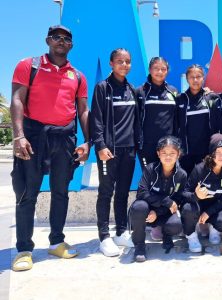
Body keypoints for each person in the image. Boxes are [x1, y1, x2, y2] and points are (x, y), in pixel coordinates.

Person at [10, 25, 90, 271]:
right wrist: (18, 136)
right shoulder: (29, 65)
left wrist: (87, 141)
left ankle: (57, 242)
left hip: (64, 138)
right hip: (34, 137)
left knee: (60, 192)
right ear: (48, 40)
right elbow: (16, 100)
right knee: (27, 194)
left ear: (71, 45)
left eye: (66, 39)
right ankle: (24, 248)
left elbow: (83, 110)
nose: (61, 42)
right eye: (57, 37)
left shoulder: (77, 75)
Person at [90, 48, 140, 257]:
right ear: (111, 63)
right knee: (105, 192)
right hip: (108, 151)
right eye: (119, 61)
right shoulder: (103, 88)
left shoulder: (132, 90)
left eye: (127, 61)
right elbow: (96, 120)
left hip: (128, 151)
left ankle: (120, 231)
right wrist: (100, 146)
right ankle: (104, 236)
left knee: (122, 193)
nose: (124, 65)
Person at [129, 136, 187, 262]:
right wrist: (165, 200)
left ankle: (167, 236)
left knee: (176, 224)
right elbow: (141, 192)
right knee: (139, 207)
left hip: (163, 212)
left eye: (172, 153)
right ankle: (139, 245)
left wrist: (157, 212)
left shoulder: (181, 175)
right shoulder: (150, 169)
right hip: (146, 211)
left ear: (178, 155)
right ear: (158, 154)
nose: (168, 156)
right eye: (164, 153)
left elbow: (177, 201)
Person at [181, 134, 222, 252]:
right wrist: (196, 196)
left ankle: (214, 229)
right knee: (187, 209)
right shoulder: (200, 169)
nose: (221, 156)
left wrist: (208, 212)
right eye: (218, 152)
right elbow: (184, 193)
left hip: (214, 208)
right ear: (212, 154)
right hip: (197, 206)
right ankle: (191, 236)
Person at [176, 64, 222, 174]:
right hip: (186, 153)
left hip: (206, 152)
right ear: (186, 78)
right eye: (192, 77)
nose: (195, 80)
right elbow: (175, 125)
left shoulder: (212, 97)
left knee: (205, 185)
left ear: (203, 78)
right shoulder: (180, 99)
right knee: (187, 185)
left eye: (198, 76)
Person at [136, 57, 178, 167]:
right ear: (150, 70)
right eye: (156, 68)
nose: (160, 72)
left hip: (168, 145)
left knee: (166, 179)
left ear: (167, 71)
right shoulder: (140, 91)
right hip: (146, 145)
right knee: (149, 178)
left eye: (163, 69)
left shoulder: (173, 91)